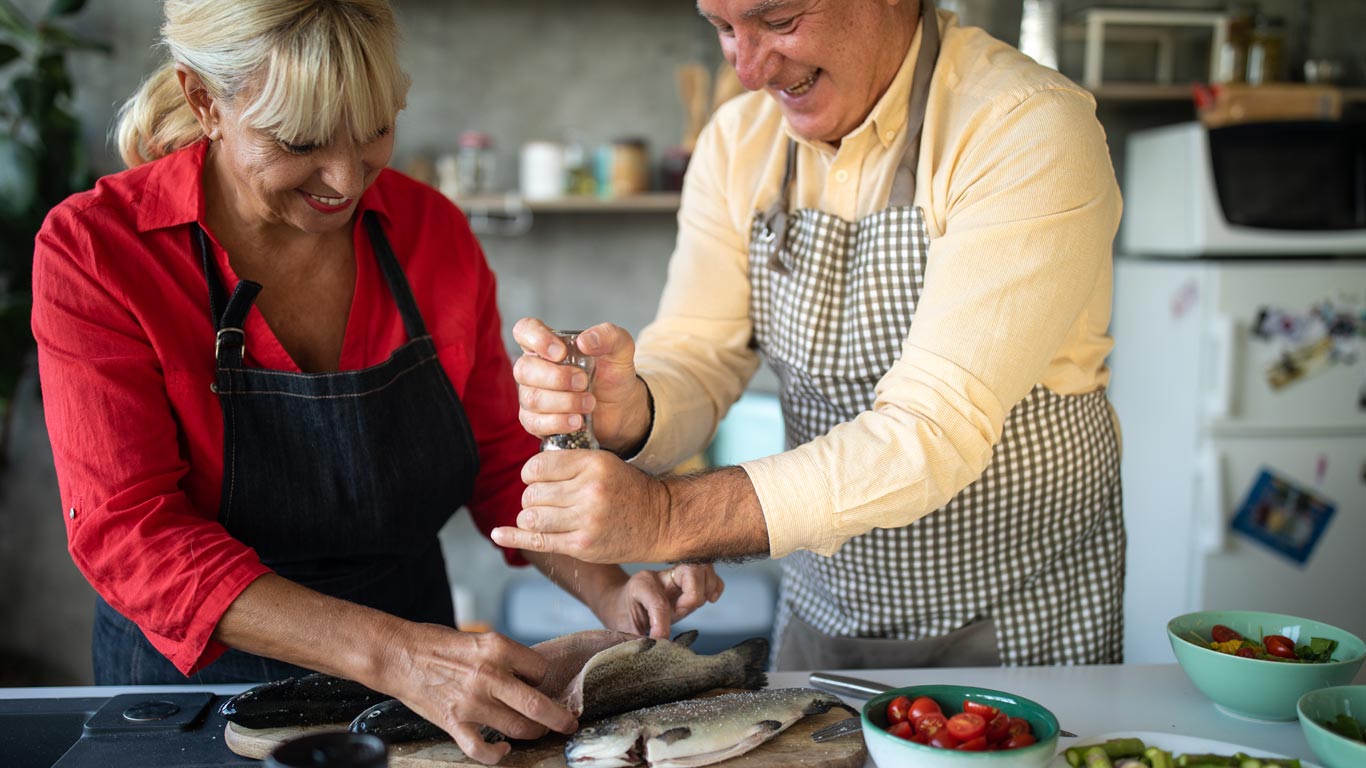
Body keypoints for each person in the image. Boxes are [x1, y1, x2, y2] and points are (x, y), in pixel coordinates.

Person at [31, 1, 720, 763]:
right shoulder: (98, 250)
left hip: (420, 687)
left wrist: (610, 589)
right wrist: (396, 655)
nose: (344, 180)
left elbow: (496, 459)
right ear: (204, 102)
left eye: (373, 133)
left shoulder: (430, 231)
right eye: (299, 141)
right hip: (199, 690)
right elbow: (130, 533)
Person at [498, 0, 1124, 671]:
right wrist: (635, 408)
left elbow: (930, 431)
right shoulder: (737, 141)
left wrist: (668, 517)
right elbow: (699, 352)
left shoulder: (1023, 125)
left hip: (1019, 620)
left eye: (780, 21)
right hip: (824, 609)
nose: (748, 71)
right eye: (724, 29)